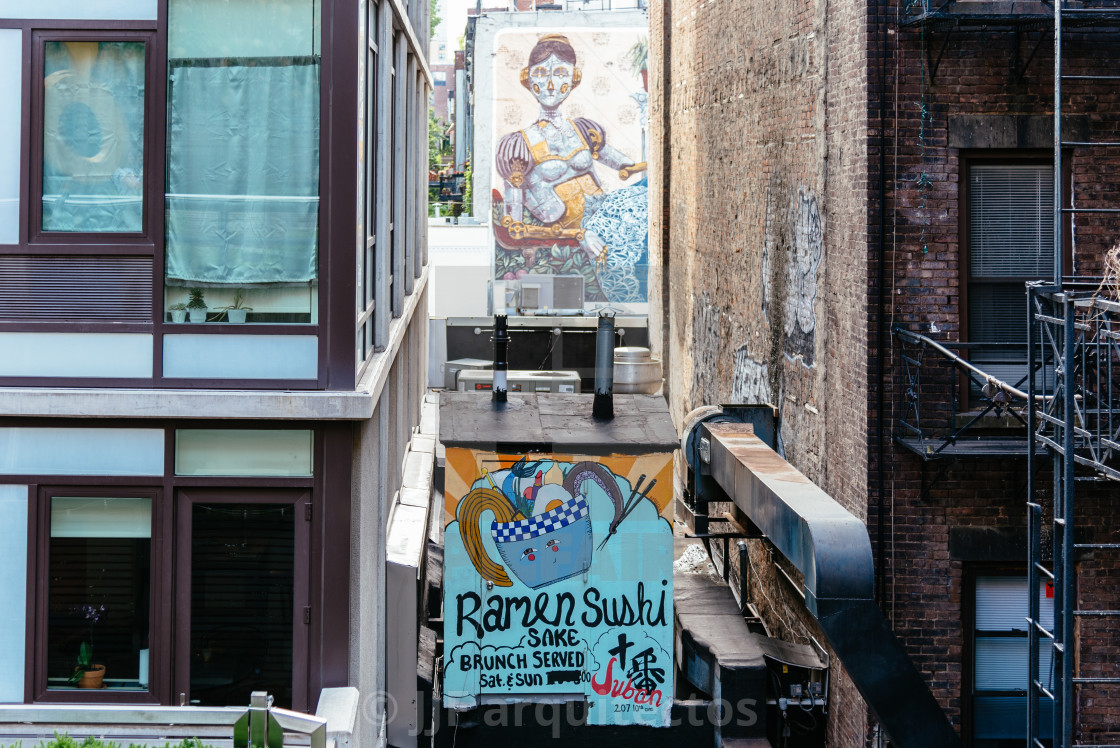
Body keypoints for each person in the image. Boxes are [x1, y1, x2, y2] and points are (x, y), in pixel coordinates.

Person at [495, 34, 647, 301]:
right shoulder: (518, 145)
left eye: (561, 73)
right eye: (541, 73)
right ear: (527, 78)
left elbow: (628, 166)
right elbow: (516, 228)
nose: (551, 84)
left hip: (610, 219)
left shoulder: (584, 130)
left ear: (573, 79)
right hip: (573, 234)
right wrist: (578, 235)